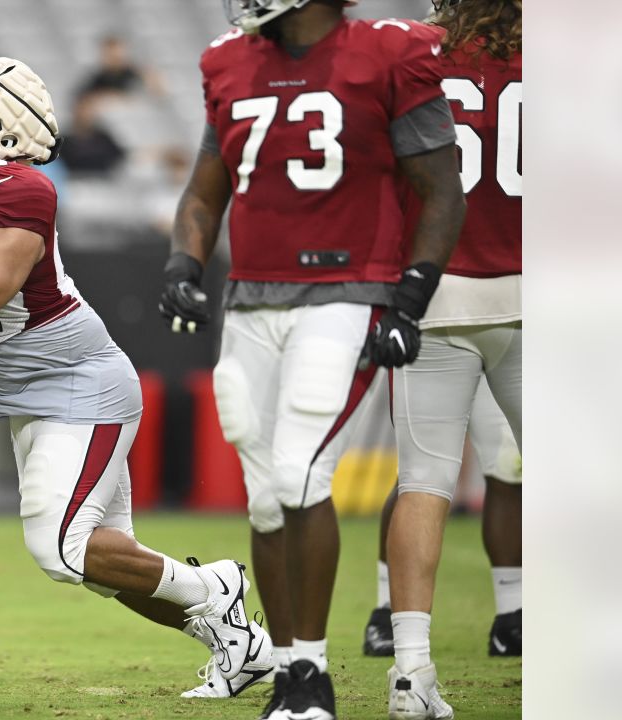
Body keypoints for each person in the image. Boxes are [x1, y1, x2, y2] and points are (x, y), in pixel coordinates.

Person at [0, 57, 267, 686]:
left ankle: (216, 585)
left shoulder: (21, 192)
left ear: (1, 134)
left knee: (62, 547)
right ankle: (240, 645)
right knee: (108, 566)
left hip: (73, 384)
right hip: (22, 387)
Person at [161, 1, 466, 718]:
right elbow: (207, 187)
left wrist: (410, 296)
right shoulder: (229, 61)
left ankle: (312, 671)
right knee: (265, 491)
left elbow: (440, 187)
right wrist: (184, 261)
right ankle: (292, 677)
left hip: (346, 289)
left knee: (300, 471)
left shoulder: (388, 53)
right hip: (253, 299)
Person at [383, 1, 521, 717]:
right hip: (535, 296)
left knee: (424, 485)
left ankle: (410, 671)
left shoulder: (412, 54)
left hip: (433, 293)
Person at [362, 385, 522, 659]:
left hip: (499, 345)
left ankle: (511, 617)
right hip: (437, 347)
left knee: (508, 464)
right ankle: (387, 610)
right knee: (418, 475)